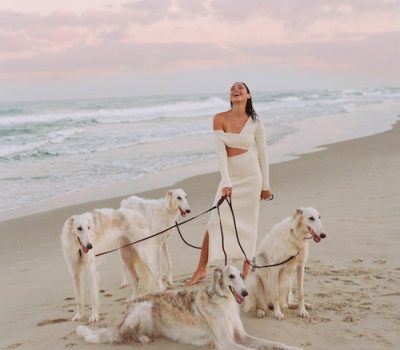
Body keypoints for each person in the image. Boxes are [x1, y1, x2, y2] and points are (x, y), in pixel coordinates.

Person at [187, 82, 273, 285]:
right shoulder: (219, 118)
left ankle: (247, 265)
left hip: (252, 176)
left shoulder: (255, 121)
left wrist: (266, 185)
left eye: (240, 88)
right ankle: (201, 269)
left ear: (249, 95)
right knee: (213, 221)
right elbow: (220, 153)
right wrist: (226, 181)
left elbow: (262, 152)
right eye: (233, 88)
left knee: (249, 223)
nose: (236, 90)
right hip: (230, 175)